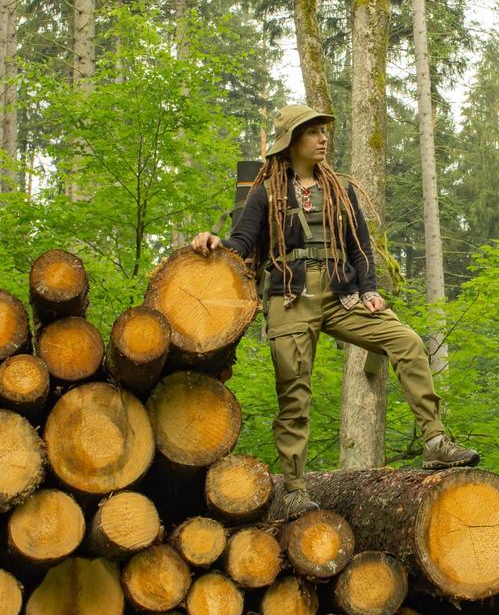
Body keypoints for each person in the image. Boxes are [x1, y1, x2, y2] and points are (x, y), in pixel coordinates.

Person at [192, 104, 478, 518]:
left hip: (343, 295)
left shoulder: (339, 190)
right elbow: (242, 243)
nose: (323, 139)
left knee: (407, 341)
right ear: (291, 142)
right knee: (294, 395)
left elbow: (360, 246)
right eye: (313, 133)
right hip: (291, 296)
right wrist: (213, 241)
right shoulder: (266, 192)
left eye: (323, 131)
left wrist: (371, 290)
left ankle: (435, 442)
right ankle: (292, 490)